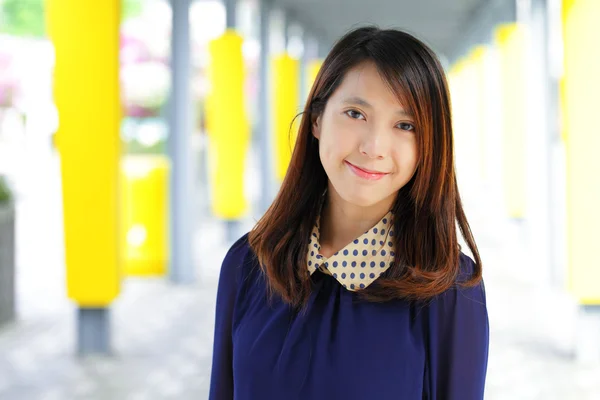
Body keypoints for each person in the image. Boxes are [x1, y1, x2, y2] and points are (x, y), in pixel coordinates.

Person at [209, 26, 489, 400]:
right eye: (355, 113)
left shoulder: (448, 287)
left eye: (405, 126)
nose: (374, 146)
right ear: (316, 120)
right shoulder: (249, 263)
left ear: (429, 146)